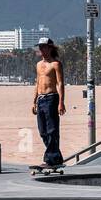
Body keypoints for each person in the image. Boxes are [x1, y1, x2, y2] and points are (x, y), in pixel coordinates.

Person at [32, 36, 66, 167]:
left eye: (43, 46)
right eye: (39, 47)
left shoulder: (55, 64)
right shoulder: (38, 65)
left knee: (52, 130)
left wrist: (61, 102)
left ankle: (50, 159)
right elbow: (37, 83)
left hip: (52, 98)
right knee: (42, 131)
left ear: (50, 48)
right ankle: (56, 156)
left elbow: (61, 83)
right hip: (40, 99)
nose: (41, 49)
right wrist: (33, 101)